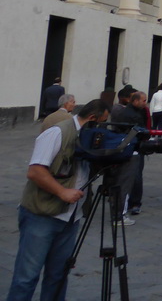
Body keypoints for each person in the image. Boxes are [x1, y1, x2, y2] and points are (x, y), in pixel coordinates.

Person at [7, 99, 110, 301]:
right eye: (102, 122)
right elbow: (36, 171)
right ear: (92, 119)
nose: (103, 128)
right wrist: (62, 192)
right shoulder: (57, 133)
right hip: (42, 214)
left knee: (58, 276)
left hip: (70, 217)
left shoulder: (88, 139)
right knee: (27, 276)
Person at [112, 91, 148, 218]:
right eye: (143, 100)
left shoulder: (130, 111)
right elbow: (141, 131)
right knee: (134, 175)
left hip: (126, 145)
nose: (145, 103)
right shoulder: (133, 115)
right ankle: (132, 204)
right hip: (133, 146)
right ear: (135, 101)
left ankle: (128, 203)